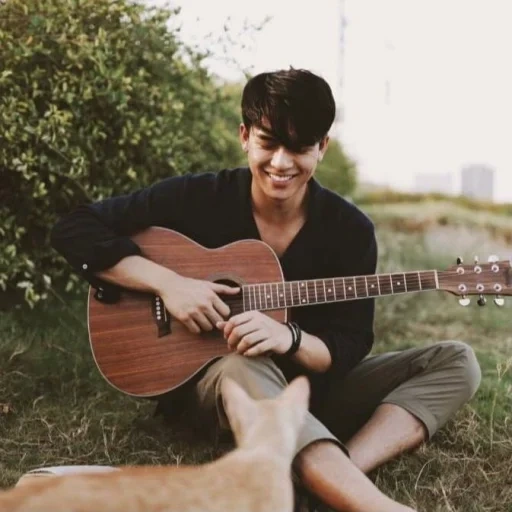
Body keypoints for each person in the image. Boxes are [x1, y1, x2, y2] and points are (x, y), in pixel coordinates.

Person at [51, 68, 481, 512]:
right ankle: (371, 504)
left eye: (299, 148)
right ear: (245, 136)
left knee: (457, 361)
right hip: (218, 391)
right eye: (268, 142)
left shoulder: (349, 230)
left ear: (322, 148)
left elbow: (350, 343)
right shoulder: (199, 197)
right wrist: (169, 284)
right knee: (243, 362)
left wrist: (289, 338)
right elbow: (75, 229)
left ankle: (335, 474)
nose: (280, 163)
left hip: (312, 389)